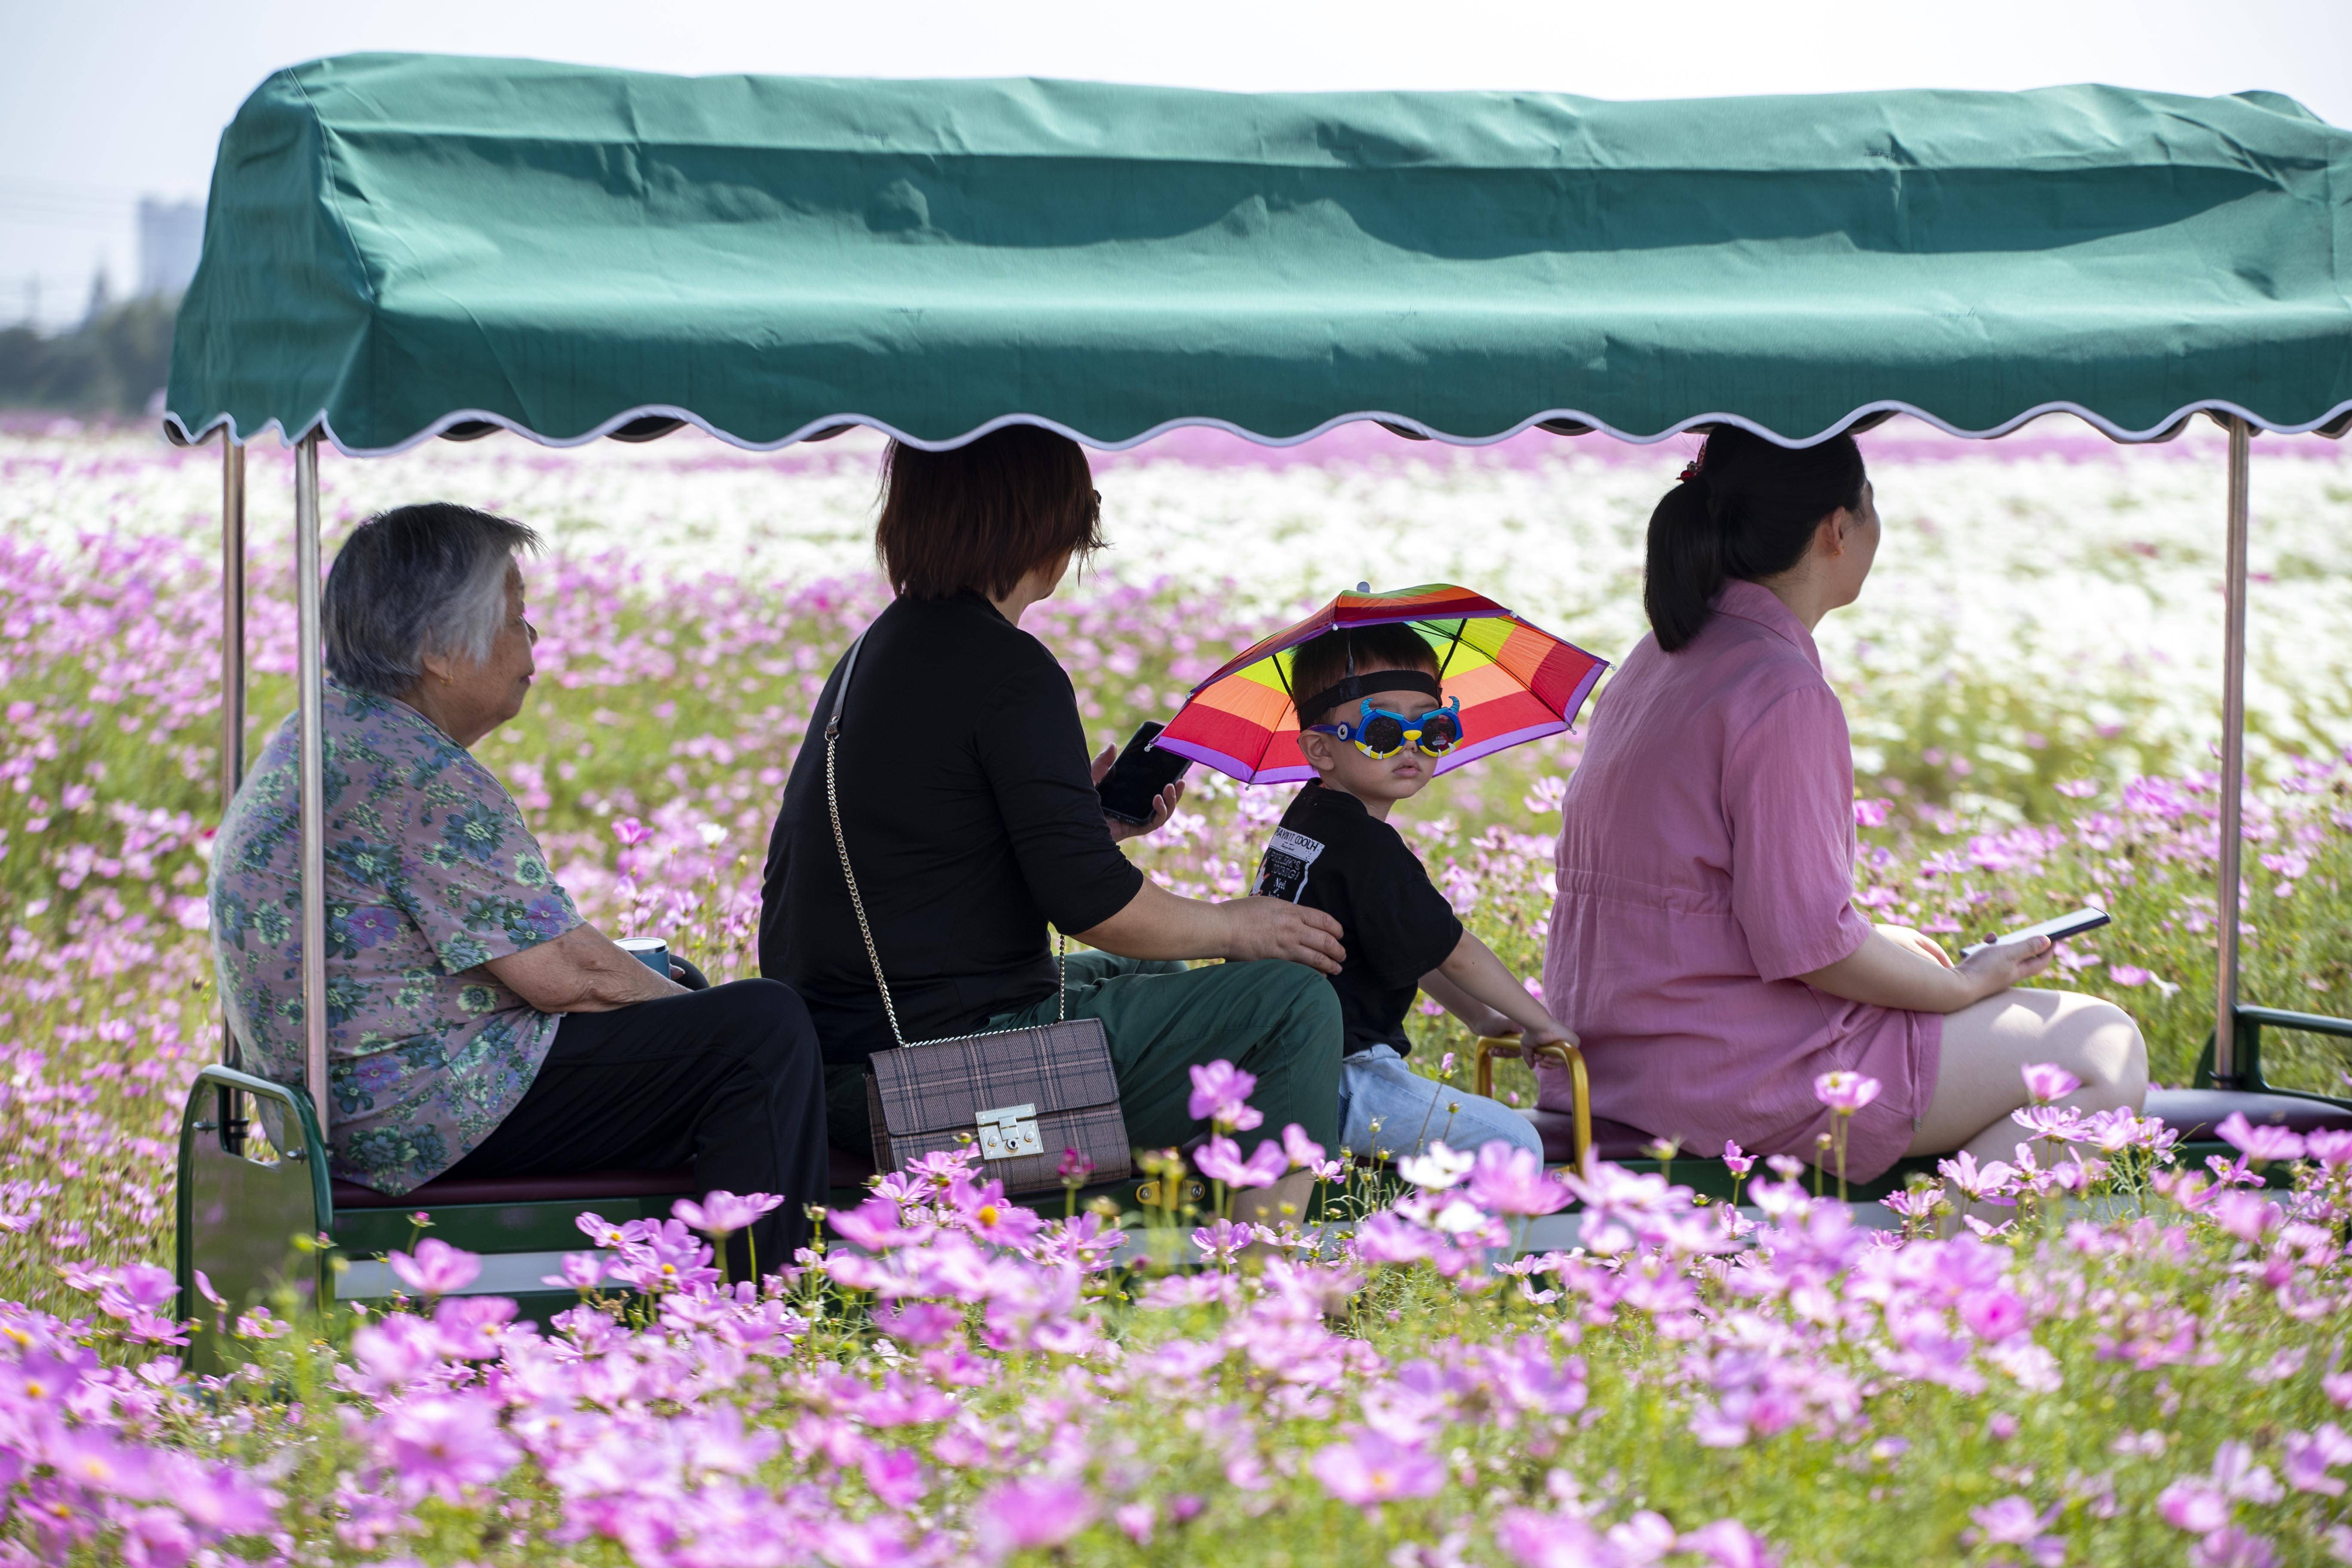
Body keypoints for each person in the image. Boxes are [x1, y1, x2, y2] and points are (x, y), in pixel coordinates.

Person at [209, 503, 827, 1271]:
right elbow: (565, 973)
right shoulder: (414, 772)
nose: (531, 643)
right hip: (418, 1114)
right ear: (438, 647)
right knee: (759, 1033)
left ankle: (689, 1283)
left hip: (357, 1105)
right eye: (514, 619)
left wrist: (676, 997)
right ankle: (762, 1311)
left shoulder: (333, 732)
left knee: (689, 994)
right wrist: (700, 1016)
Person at [758, 426, 1346, 1223]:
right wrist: (1238, 926)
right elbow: (1092, 907)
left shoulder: (878, 649)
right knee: (1288, 1003)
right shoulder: (1008, 667)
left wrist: (1080, 826)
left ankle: (1169, 1225)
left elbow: (926, 855)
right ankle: (1263, 1279)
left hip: (837, 1057)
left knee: (1138, 981)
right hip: (929, 1093)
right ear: (1046, 525)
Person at [1542, 428, 2147, 1183]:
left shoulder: (1659, 656)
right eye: (1870, 506)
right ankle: (1925, 1278)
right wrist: (1967, 981)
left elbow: (1707, 899)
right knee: (2101, 1043)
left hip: (1618, 1059)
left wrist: (1881, 941)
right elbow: (1811, 946)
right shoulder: (1778, 687)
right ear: (1837, 529)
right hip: (1735, 1074)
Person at [1249, 623, 1564, 1162]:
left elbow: (1407, 944)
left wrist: (1481, 1019)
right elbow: (1455, 953)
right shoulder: (1368, 847)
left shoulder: (1314, 818)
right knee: (1510, 1144)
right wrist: (1542, 1023)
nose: (1412, 746)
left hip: (1292, 1063)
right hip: (1337, 1077)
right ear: (1321, 749)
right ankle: (1458, 1250)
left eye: (1434, 726)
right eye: (1382, 732)